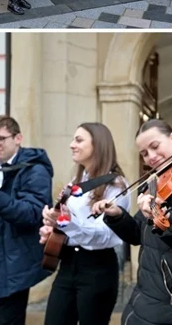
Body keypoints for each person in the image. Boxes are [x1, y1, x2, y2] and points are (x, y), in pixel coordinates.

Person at [91, 119, 172, 325]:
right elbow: (137, 234)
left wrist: (160, 217)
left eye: (155, 146)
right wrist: (116, 214)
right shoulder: (156, 180)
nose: (151, 157)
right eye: (144, 153)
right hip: (151, 291)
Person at [39, 123, 128, 325]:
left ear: (97, 145)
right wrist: (52, 228)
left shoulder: (116, 185)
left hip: (97, 267)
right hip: (68, 264)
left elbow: (104, 235)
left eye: (79, 140)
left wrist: (66, 222)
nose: (71, 145)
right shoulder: (77, 180)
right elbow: (69, 224)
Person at [0, 115, 52, 325]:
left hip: (15, 256)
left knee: (9, 319)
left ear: (18, 138)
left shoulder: (35, 170)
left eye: (1, 138)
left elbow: (30, 213)